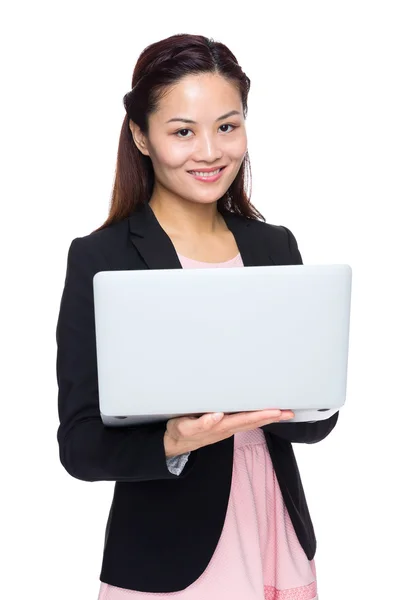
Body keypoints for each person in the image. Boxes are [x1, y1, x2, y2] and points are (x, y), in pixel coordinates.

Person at [56, 33, 339, 600]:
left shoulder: (275, 246)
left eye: (227, 126)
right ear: (141, 135)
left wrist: (299, 400)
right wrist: (174, 439)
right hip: (169, 552)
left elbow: (317, 422)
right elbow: (80, 446)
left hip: (274, 531)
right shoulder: (103, 257)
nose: (210, 151)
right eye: (183, 131)